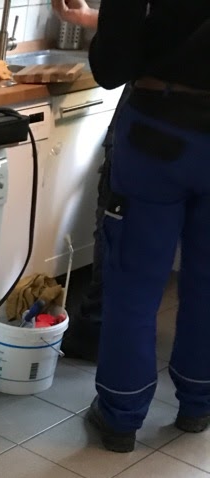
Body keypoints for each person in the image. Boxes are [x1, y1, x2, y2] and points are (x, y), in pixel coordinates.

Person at [84, 0, 210, 452]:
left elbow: (111, 67)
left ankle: (121, 416)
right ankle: (198, 403)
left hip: (160, 130)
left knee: (134, 281)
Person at [51, 0, 128, 363]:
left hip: (153, 127)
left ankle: (98, 330)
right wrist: (86, 17)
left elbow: (111, 68)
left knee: (120, 232)